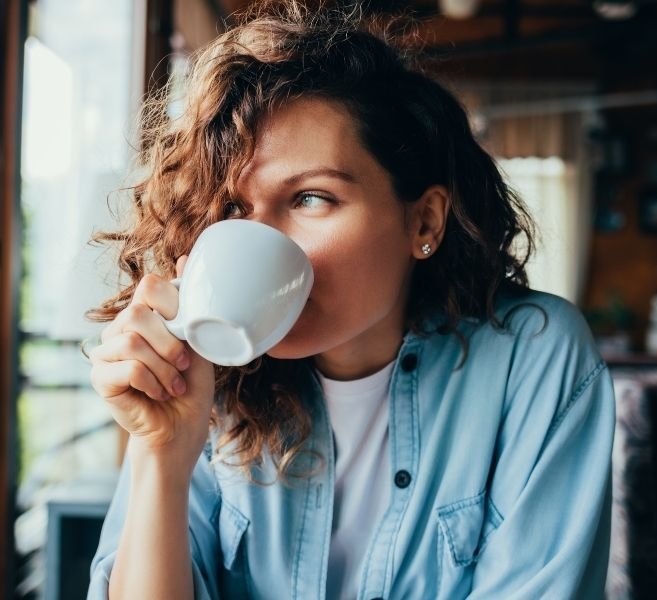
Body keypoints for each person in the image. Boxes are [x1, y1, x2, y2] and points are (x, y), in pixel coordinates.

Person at [86, 2, 615, 598]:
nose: (258, 241)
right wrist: (161, 454)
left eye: (311, 198)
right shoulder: (205, 383)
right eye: (234, 208)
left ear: (424, 221)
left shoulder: (532, 357)